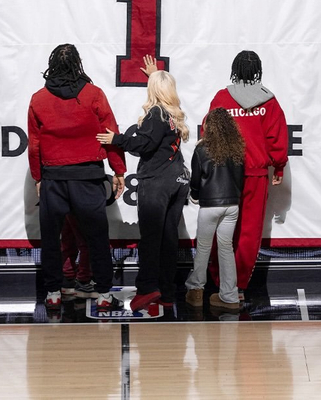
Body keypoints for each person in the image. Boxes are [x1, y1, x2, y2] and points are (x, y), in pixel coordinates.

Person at [28, 44, 126, 313]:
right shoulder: (94, 94)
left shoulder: (38, 99)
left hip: (54, 178)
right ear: (78, 64)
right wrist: (118, 170)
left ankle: (53, 294)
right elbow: (110, 133)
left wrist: (38, 177)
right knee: (97, 238)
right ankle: (104, 295)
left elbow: (34, 144)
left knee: (51, 239)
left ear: (51, 66)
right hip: (88, 177)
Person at [97, 61, 190, 312]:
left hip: (157, 182)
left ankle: (147, 288)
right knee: (169, 238)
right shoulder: (173, 113)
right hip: (177, 180)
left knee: (150, 238)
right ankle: (167, 292)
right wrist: (155, 76)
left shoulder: (156, 113)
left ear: (154, 90)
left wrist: (116, 139)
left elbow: (144, 144)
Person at [208, 50, 288, 297]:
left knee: (222, 228)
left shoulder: (221, 98)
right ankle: (238, 286)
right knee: (249, 232)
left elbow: (209, 133)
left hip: (224, 174)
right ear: (258, 71)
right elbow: (276, 138)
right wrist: (279, 166)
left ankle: (218, 281)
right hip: (255, 175)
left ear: (234, 70)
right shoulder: (268, 101)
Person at [185, 107, 245, 311]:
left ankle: (196, 291)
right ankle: (229, 296)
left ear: (208, 127)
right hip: (232, 205)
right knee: (226, 247)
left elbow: (195, 180)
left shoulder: (202, 149)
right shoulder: (237, 149)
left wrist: (194, 195)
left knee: (203, 248)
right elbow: (240, 180)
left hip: (210, 205)